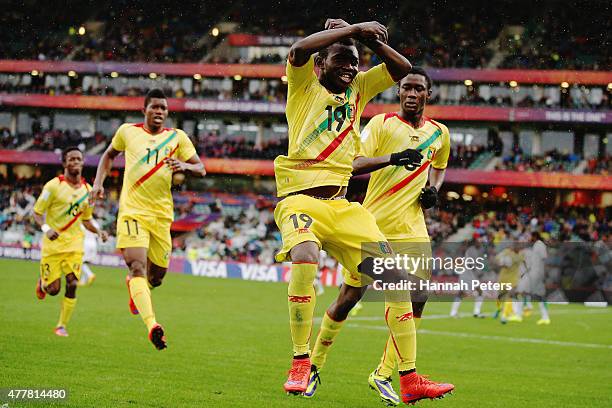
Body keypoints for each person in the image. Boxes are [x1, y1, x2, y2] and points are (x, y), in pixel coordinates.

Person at [273, 17, 419, 400]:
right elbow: (299, 50)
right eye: (342, 60)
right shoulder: (303, 85)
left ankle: (409, 378)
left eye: (355, 62)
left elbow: (403, 69)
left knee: (396, 278)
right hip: (300, 198)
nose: (351, 67)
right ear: (321, 65)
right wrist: (354, 30)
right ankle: (301, 360)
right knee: (305, 255)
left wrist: (366, 42)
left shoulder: (359, 89)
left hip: (342, 207)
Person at [306, 67, 454, 405]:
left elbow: (440, 166)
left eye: (418, 89)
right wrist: (393, 159)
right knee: (348, 298)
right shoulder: (382, 124)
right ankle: (313, 365)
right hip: (373, 225)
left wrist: (433, 189)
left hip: (413, 226)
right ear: (398, 92)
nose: (411, 94)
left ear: (428, 94)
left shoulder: (440, 133)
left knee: (418, 295)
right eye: (406, 88)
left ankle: (385, 373)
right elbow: (354, 162)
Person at [91, 88, 206, 350]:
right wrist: (99, 183)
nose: (159, 112)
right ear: (144, 110)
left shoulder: (177, 138)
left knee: (157, 277)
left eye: (164, 109)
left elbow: (201, 167)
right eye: (155, 107)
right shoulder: (127, 132)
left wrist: (186, 166)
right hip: (132, 211)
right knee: (137, 268)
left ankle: (137, 288)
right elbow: (108, 155)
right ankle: (152, 324)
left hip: (162, 215)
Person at [33, 146, 108, 337]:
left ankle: (61, 325)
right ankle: (43, 283)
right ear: (64, 163)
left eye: (78, 159)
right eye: (71, 159)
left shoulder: (88, 191)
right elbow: (37, 212)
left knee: (73, 283)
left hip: (74, 245)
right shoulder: (52, 186)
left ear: (83, 163)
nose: (75, 162)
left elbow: (86, 219)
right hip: (52, 246)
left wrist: (99, 231)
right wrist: (46, 228)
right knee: (53, 290)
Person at [450, 238, 486, 318]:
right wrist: (477, 270)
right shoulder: (471, 250)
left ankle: (476, 312)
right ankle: (454, 312)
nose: (480, 244)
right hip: (467, 275)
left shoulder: (475, 251)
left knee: (478, 291)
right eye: (478, 242)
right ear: (474, 243)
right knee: (463, 293)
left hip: (470, 275)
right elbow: (470, 264)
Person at [79, 221, 101, 286]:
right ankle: (83, 281)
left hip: (85, 243)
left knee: (80, 262)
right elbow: (97, 235)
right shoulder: (96, 223)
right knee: (85, 263)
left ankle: (90, 274)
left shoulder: (83, 222)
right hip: (94, 243)